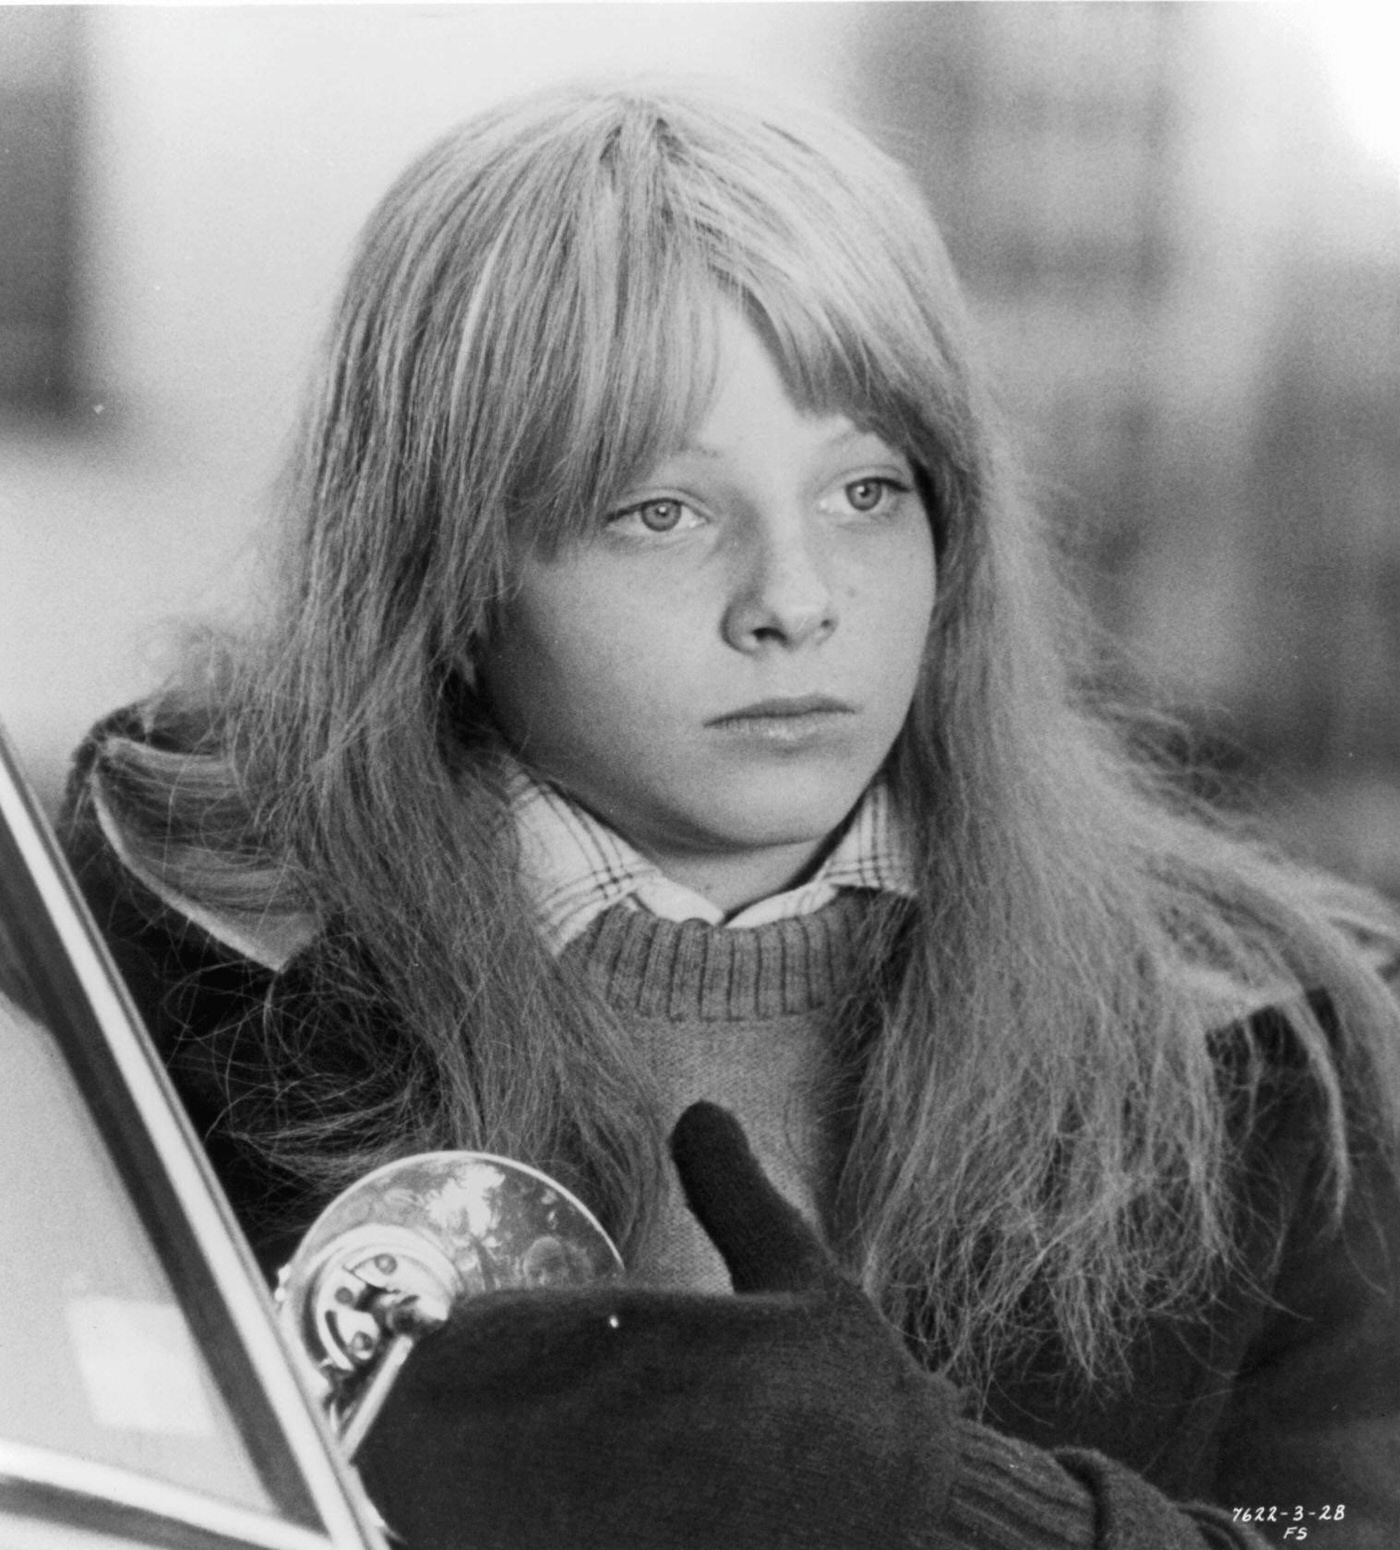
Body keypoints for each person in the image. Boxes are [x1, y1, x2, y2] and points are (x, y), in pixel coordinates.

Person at [60, 76, 1400, 1549]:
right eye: (663, 511)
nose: (796, 601)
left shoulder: (1256, 1034)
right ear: (441, 575)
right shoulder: (161, 953)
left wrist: (920, 1497)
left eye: (867, 491)